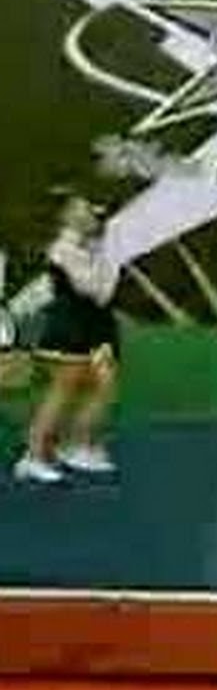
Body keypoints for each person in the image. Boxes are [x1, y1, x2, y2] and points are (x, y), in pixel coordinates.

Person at [13, 193, 121, 483]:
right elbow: (95, 289)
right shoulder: (64, 248)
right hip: (68, 330)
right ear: (68, 216)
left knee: (103, 385)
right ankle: (33, 457)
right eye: (84, 209)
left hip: (92, 329)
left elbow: (103, 291)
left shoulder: (89, 247)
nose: (93, 214)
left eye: (92, 210)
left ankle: (75, 446)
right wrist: (105, 259)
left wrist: (103, 252)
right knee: (62, 391)